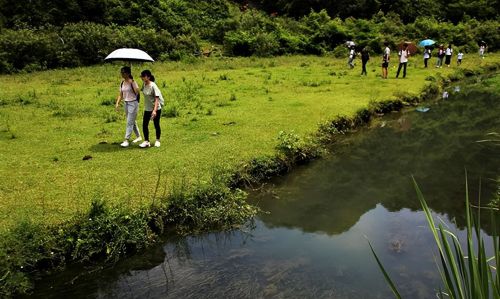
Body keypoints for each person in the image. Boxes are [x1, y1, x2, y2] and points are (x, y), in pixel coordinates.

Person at [115, 66, 141, 148]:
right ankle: (139, 136)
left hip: (133, 103)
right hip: (126, 103)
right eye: (121, 72)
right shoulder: (122, 82)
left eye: (124, 72)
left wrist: (132, 83)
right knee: (132, 121)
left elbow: (138, 92)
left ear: (128, 73)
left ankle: (126, 140)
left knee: (129, 121)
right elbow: (121, 94)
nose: (122, 74)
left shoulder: (133, 82)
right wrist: (117, 103)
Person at [139, 70, 164, 148]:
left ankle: (157, 140)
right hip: (147, 109)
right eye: (141, 76)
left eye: (144, 76)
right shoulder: (144, 84)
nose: (142, 77)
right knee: (144, 125)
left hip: (155, 108)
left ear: (148, 77)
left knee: (156, 124)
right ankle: (146, 141)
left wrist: (154, 111)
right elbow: (141, 91)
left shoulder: (153, 85)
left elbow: (157, 99)